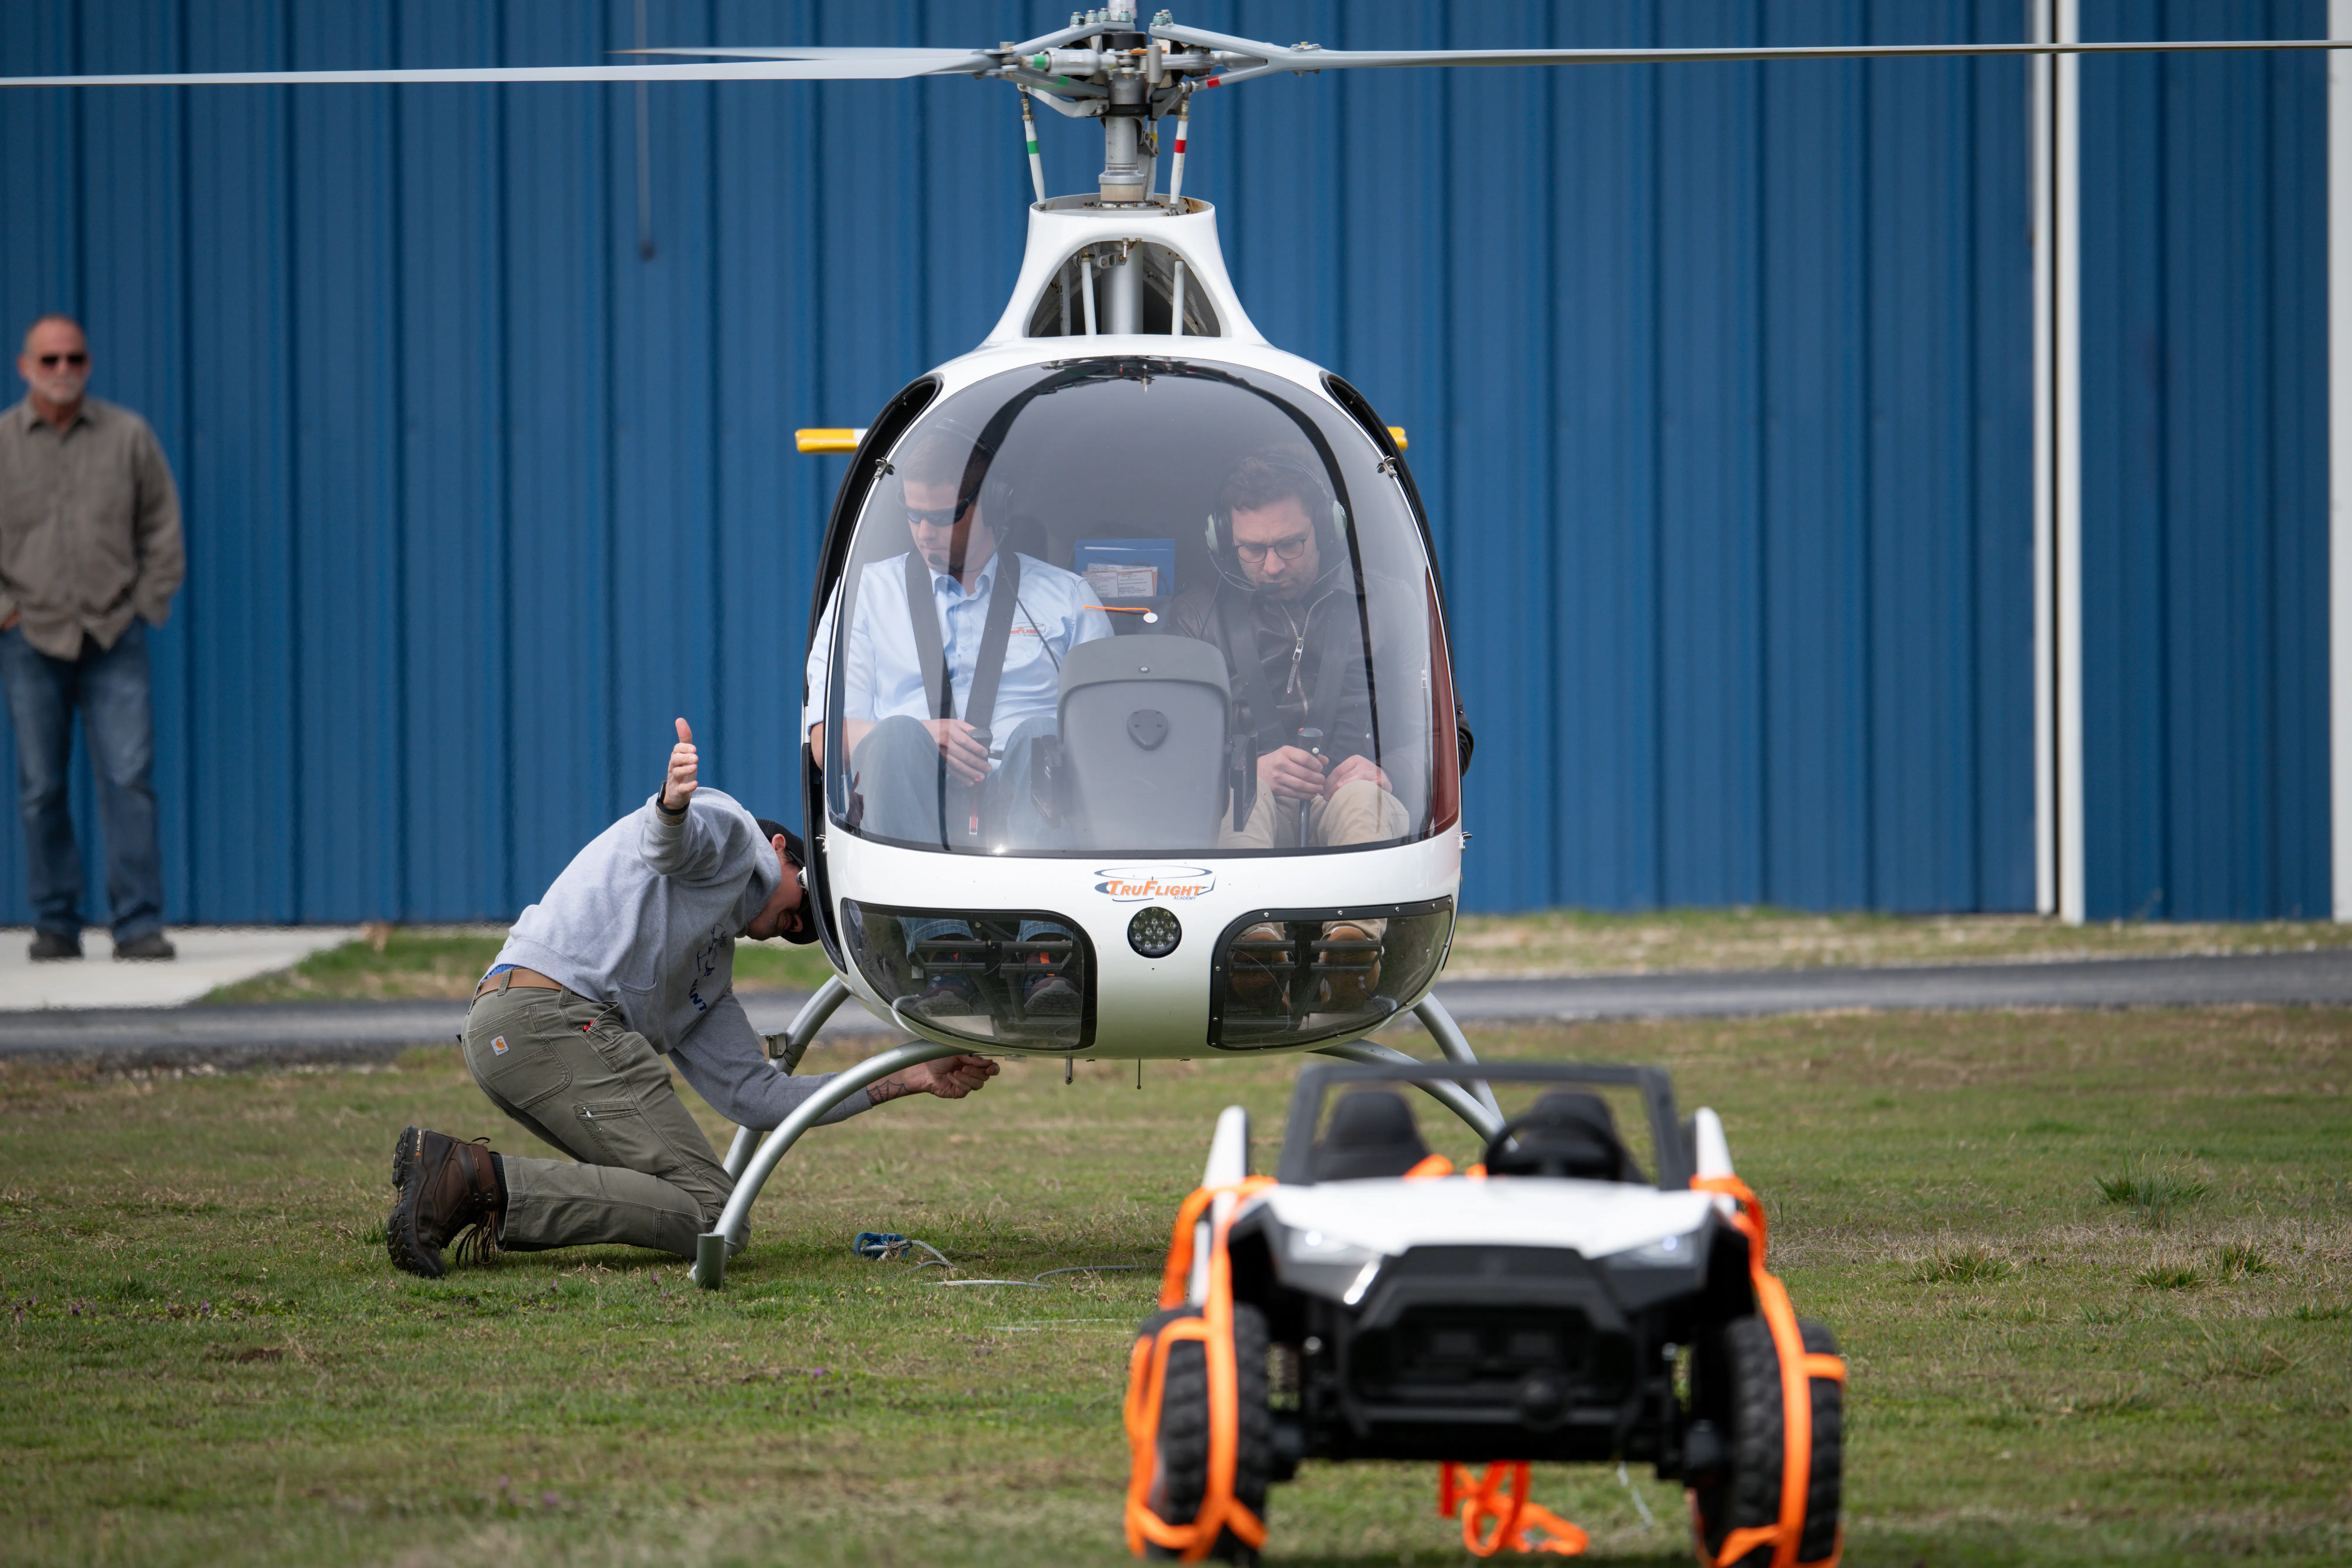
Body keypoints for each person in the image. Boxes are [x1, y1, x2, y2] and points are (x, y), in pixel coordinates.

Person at [385, 717, 1000, 1278]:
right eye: (800, 907)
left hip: (516, 1035)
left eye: (804, 932)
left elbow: (757, 1097)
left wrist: (913, 1076)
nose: (797, 926)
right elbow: (670, 844)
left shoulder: (704, 970)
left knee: (712, 1212)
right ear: (783, 852)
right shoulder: (736, 841)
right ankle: (469, 1179)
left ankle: (466, 1185)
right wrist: (673, 805)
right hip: (548, 1017)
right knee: (715, 1214)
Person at [804, 423, 1110, 1019]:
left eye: (942, 515)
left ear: (993, 504)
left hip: (1034, 796)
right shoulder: (864, 595)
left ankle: (1043, 954)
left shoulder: (1068, 599)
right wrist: (922, 733)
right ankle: (943, 952)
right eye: (913, 515)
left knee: (1039, 736)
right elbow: (823, 741)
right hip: (913, 803)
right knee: (891, 734)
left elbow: (1104, 741)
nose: (924, 532)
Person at [1174, 451, 1409, 1012]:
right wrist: (1244, 767)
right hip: (1250, 791)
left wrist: (1392, 769)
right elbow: (1171, 747)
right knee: (1242, 801)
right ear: (1223, 543)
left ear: (1328, 530)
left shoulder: (1389, 606)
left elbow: (1452, 732)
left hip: (1348, 789)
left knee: (1365, 805)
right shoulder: (1196, 616)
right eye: (1252, 551)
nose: (1273, 566)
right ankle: (1255, 952)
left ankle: (1351, 953)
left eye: (1291, 545)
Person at [0, 314, 185, 962]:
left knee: (130, 779)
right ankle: (56, 923)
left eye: (73, 357)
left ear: (89, 362)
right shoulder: (4, 443)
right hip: (31, 639)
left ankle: (138, 925)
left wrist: (144, 605)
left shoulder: (127, 437)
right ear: (25, 367)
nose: (62, 370)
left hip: (114, 636)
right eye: (48, 360)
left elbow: (162, 526)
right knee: (40, 786)